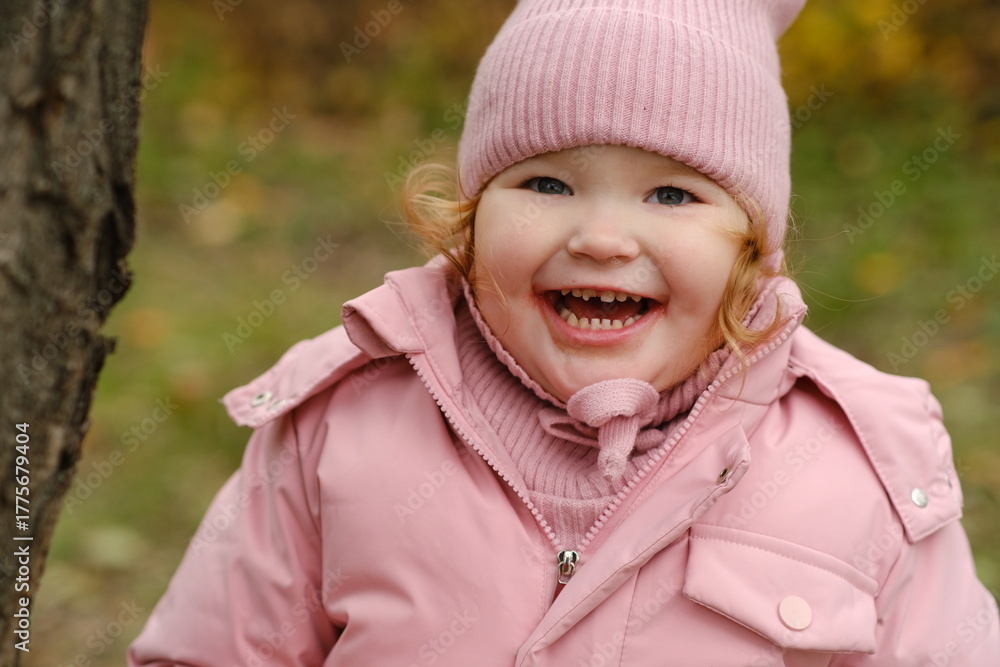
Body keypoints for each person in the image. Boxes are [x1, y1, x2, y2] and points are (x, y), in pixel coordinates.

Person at [128, 0, 1000, 664]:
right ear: (470, 219)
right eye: (546, 184)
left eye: (673, 194)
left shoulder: (859, 470)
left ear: (752, 247)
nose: (603, 237)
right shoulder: (340, 424)